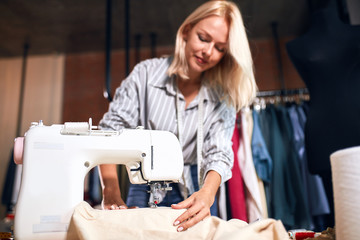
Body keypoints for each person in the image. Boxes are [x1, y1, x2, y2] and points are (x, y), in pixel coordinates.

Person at [98, 0, 257, 232]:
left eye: (220, 48)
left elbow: (220, 153)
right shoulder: (145, 75)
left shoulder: (223, 95)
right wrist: (110, 190)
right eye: (203, 38)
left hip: (197, 188)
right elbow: (109, 135)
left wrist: (207, 194)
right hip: (144, 182)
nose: (208, 52)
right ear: (186, 31)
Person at [286, 0, 360, 228]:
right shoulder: (296, 46)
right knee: (342, 217)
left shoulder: (356, 34)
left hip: (355, 124)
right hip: (323, 133)